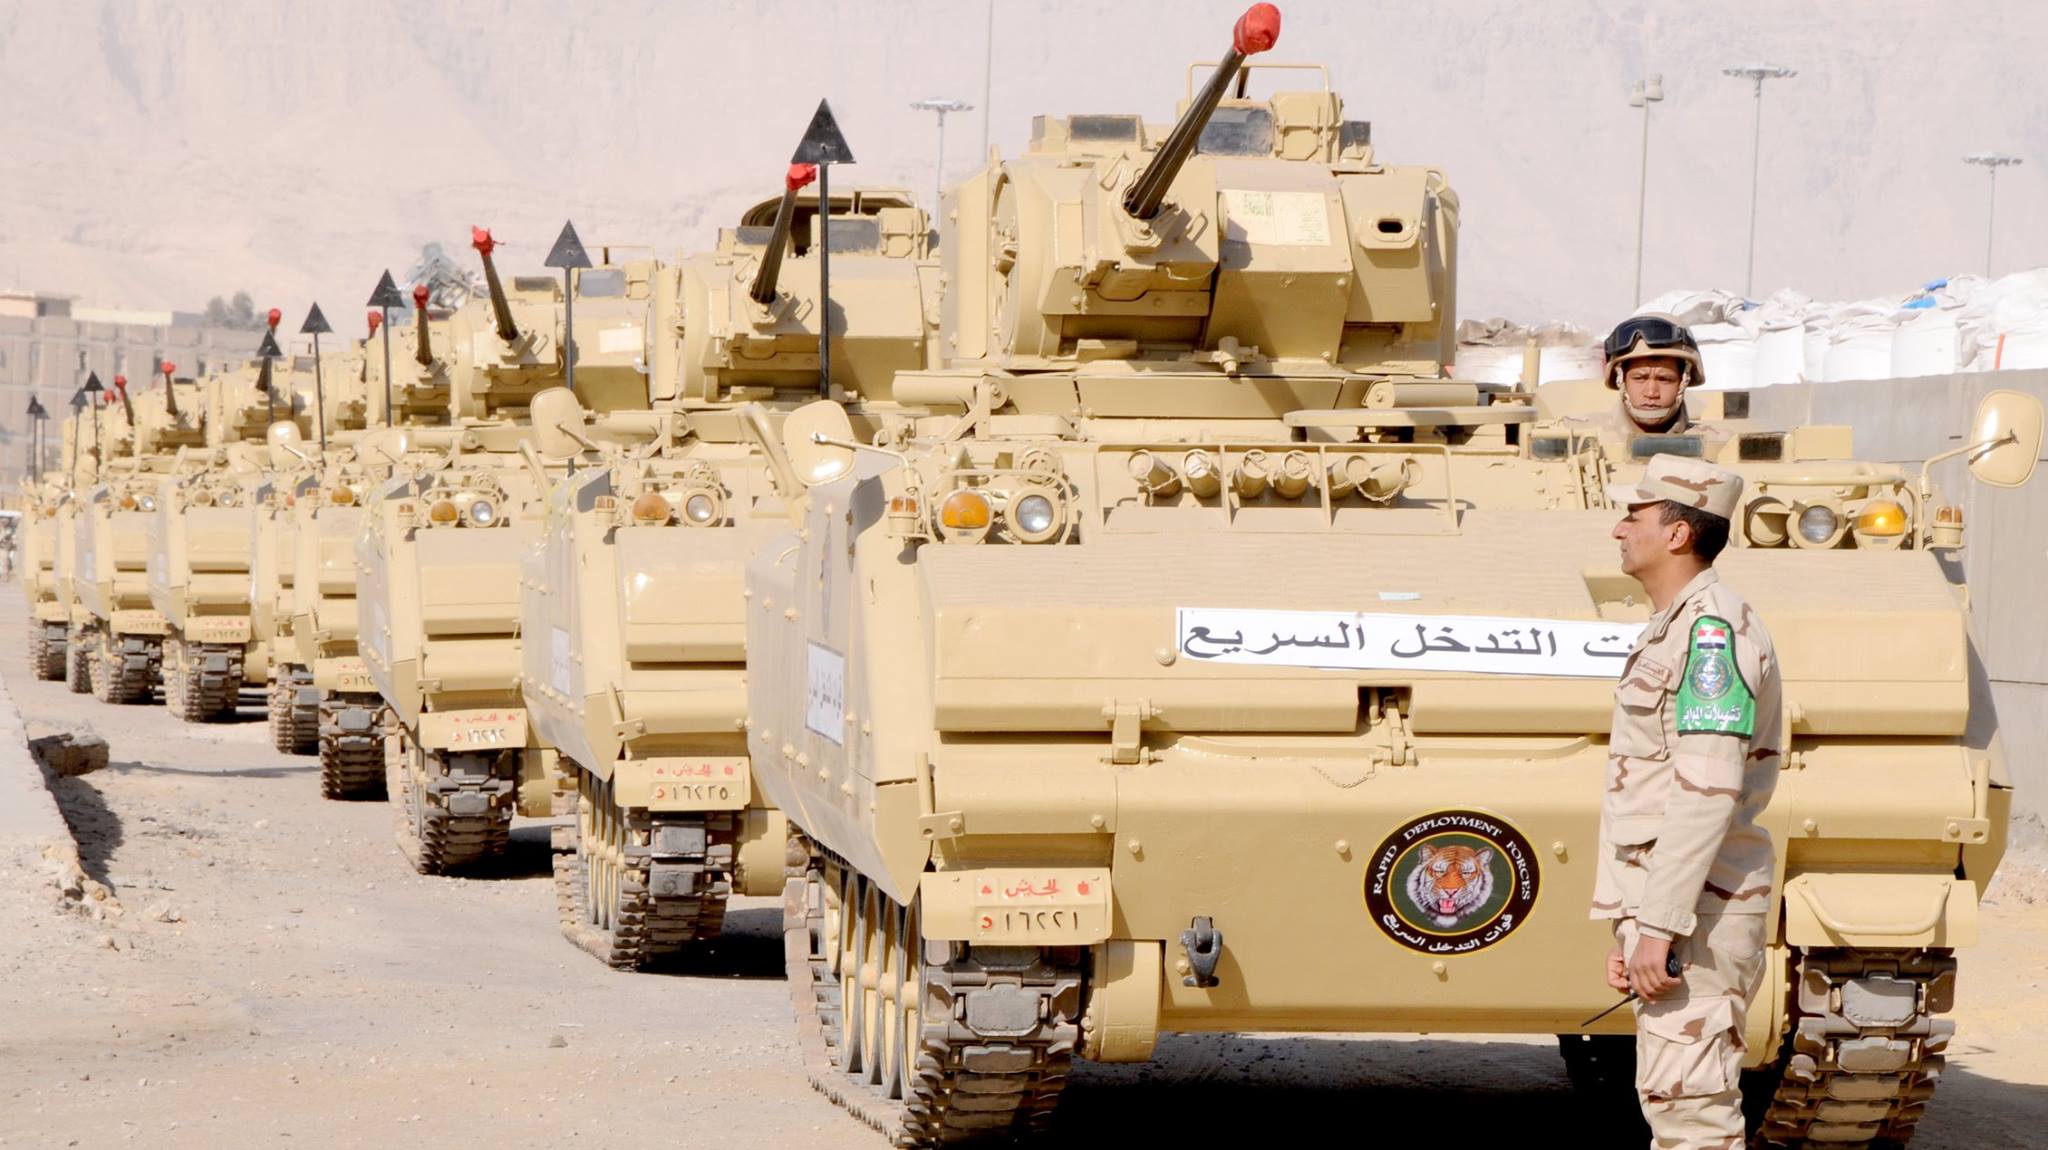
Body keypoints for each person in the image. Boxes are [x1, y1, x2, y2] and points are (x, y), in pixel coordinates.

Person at [1590, 452, 1781, 1148]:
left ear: (1677, 533)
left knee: (1693, 1116)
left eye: (1634, 516)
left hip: (1698, 912)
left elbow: (1707, 791)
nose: (1619, 529)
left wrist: (1660, 926)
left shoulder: (1710, 635)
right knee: (1675, 1103)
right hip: (1683, 909)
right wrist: (1634, 923)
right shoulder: (1676, 625)